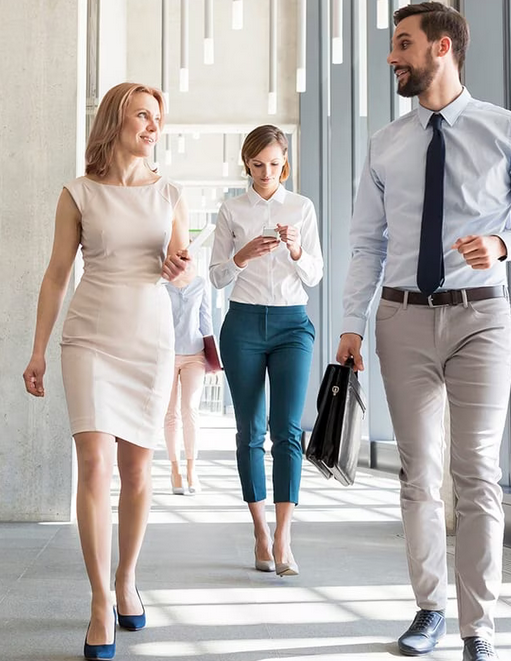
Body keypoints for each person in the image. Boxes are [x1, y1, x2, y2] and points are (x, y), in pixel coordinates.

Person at [337, 2, 511, 661]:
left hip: (481, 317)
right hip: (400, 319)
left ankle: (480, 625)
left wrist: (504, 243)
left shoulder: (507, 130)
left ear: (442, 47)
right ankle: (429, 607)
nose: (392, 58)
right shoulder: (385, 144)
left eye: (402, 45)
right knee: (418, 474)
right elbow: (365, 243)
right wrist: (351, 325)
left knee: (477, 474)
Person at [23, 81, 193, 661]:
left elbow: (185, 273)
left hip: (149, 341)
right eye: (142, 115)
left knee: (137, 469)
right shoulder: (78, 194)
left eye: (158, 118)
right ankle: (100, 601)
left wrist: (177, 267)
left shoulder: (169, 193)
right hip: (89, 338)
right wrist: (38, 349)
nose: (152, 126)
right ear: (115, 121)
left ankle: (127, 580)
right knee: (93, 463)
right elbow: (55, 275)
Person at [209, 124, 324, 577]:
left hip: (292, 324)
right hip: (242, 324)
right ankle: (259, 530)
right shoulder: (232, 210)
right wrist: (244, 255)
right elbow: (217, 275)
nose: (265, 172)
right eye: (257, 165)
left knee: (287, 431)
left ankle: (284, 536)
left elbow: (315, 275)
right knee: (249, 432)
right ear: (247, 164)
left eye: (274, 164)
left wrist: (296, 250)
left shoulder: (301, 207)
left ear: (285, 163)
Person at [164, 262, 213, 496]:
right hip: (166, 355)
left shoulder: (201, 284)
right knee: (170, 413)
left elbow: (206, 320)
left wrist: (213, 356)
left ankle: (192, 469)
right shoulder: (161, 285)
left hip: (195, 354)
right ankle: (175, 470)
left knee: (190, 409)